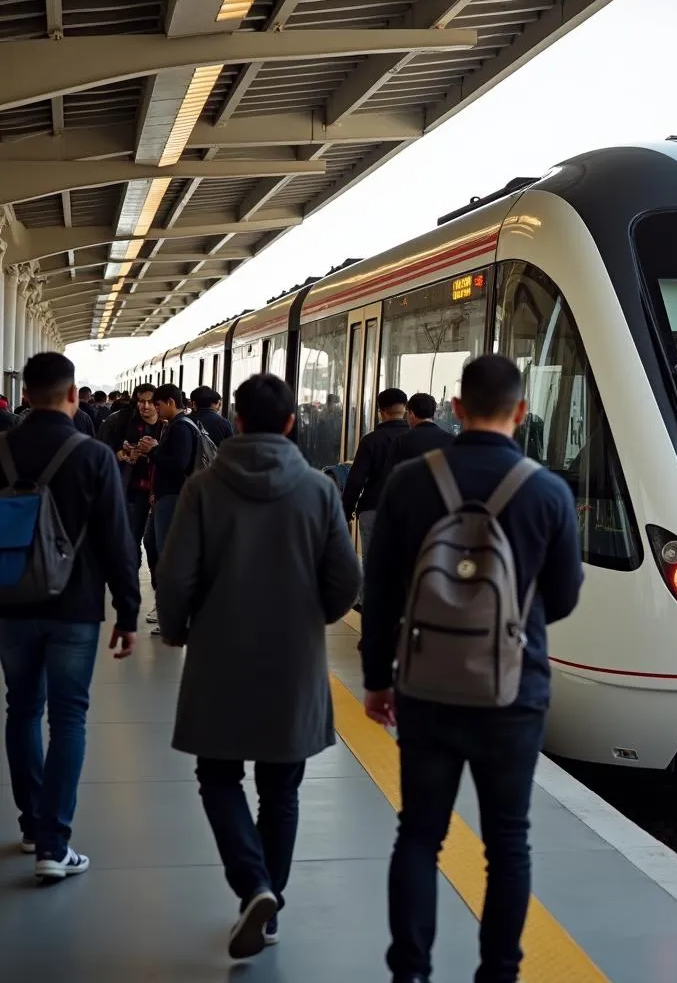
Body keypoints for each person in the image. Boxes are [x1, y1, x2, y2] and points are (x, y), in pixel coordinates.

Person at [361, 355, 584, 983]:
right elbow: (563, 599)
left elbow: (380, 592)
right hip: (514, 692)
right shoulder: (547, 490)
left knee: (419, 836)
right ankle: (499, 974)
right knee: (507, 843)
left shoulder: (409, 481)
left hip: (426, 688)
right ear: (521, 412)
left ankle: (410, 972)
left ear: (456, 410)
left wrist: (378, 680)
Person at [156, 374, 361, 959]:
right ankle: (268, 906)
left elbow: (175, 576)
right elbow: (347, 579)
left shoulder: (203, 487)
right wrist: (312, 617)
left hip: (219, 653)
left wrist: (176, 629)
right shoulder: (319, 490)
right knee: (282, 788)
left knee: (217, 776)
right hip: (292, 660)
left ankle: (253, 885)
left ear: (237, 421)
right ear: (291, 424)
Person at [0, 353, 140, 881]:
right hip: (75, 607)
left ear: (25, 393)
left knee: (21, 711)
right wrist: (128, 611)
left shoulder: (1, 450)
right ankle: (54, 845)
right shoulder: (93, 455)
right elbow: (116, 540)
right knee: (69, 718)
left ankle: (33, 825)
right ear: (73, 394)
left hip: (10, 605)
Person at [341, 387, 408, 570]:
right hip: (408, 510)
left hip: (373, 508)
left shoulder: (371, 440)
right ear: (405, 410)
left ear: (381, 412)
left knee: (372, 565)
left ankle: (369, 599)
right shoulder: (413, 438)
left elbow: (356, 480)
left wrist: (346, 511)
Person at [137, 383, 197, 562]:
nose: (156, 410)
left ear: (170, 402)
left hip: (173, 495)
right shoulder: (176, 424)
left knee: (164, 546)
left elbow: (179, 464)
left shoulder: (181, 427)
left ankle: (167, 585)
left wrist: (153, 451)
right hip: (166, 495)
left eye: (158, 405)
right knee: (151, 541)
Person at [113, 383, 160, 592]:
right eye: (141, 401)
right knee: (132, 537)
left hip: (160, 493)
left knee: (155, 542)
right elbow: (110, 450)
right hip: (134, 490)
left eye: (150, 401)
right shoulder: (125, 423)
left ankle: (159, 586)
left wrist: (153, 451)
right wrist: (124, 455)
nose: (146, 406)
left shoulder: (170, 426)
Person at [380, 392, 453, 484]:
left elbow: (389, 477)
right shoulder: (450, 440)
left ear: (411, 414)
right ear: (433, 414)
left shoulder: (402, 440)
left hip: (408, 496)